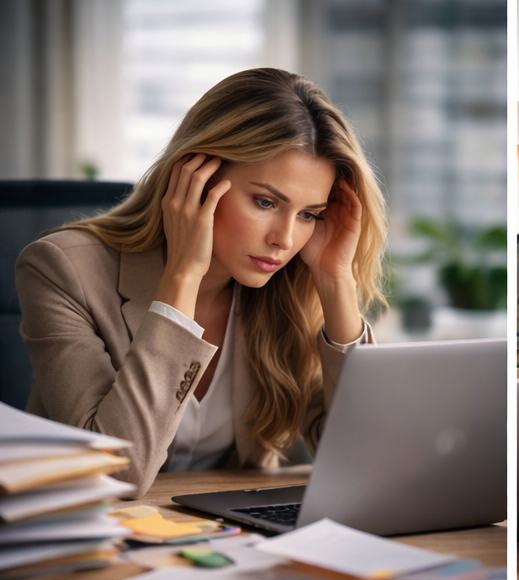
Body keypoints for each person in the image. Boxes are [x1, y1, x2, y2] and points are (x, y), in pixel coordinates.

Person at [15, 67, 386, 492]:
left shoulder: (290, 286)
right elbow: (115, 475)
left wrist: (336, 281)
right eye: (265, 202)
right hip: (91, 539)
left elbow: (366, 463)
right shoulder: (62, 269)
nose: (285, 239)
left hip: (229, 541)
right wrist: (183, 275)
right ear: (196, 177)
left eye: (308, 215)